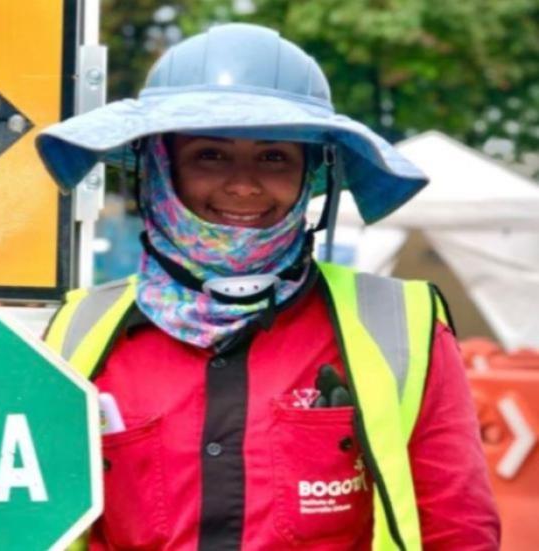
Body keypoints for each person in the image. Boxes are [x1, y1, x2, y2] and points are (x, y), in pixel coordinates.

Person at [36, 24, 499, 550]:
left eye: (274, 156)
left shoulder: (402, 329)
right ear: (160, 169)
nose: (243, 184)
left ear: (311, 174)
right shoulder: (78, 332)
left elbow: (458, 530)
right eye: (210, 155)